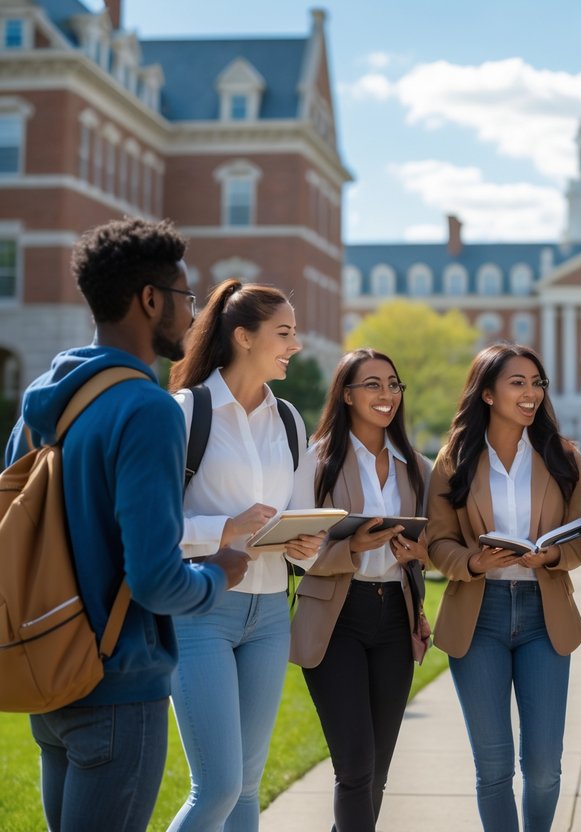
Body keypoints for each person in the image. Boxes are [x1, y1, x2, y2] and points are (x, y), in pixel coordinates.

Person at [3, 218, 248, 831]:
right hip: (117, 687)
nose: (192, 317)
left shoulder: (42, 398)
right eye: (187, 299)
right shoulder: (147, 409)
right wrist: (221, 573)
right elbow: (157, 581)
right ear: (149, 299)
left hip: (46, 669)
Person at [166, 279, 324, 831]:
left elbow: (299, 513)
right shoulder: (186, 411)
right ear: (242, 337)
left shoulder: (290, 421)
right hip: (200, 611)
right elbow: (150, 527)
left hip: (270, 614)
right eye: (283, 333)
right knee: (217, 786)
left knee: (248, 789)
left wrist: (306, 545)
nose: (295, 345)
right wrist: (225, 529)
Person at [426, 343, 581, 832]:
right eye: (518, 382)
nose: (531, 393)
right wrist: (472, 562)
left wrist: (555, 554)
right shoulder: (453, 458)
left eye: (537, 382)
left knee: (543, 768)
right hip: (480, 618)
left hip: (545, 616)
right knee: (494, 767)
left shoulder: (562, 457)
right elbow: (437, 541)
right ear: (487, 393)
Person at [288, 348, 433, 832]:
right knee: (354, 767)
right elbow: (295, 548)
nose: (386, 394)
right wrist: (351, 550)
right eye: (372, 384)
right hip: (337, 617)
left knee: (377, 773)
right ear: (347, 395)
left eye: (393, 384)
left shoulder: (417, 466)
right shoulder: (318, 460)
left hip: (394, 615)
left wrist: (418, 557)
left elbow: (432, 542)